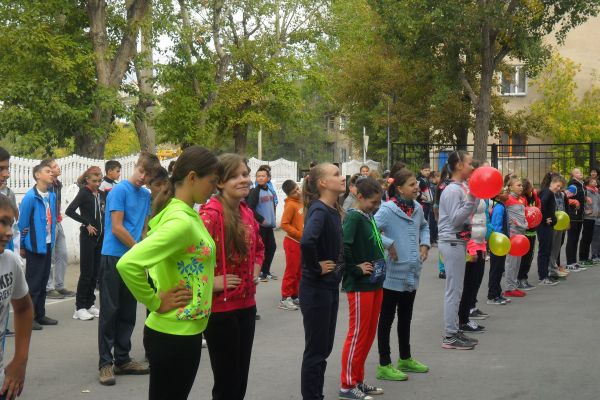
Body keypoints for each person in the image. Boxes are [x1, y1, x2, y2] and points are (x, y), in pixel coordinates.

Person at [117, 146, 219, 400]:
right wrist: (154, 301)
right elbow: (128, 263)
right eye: (212, 181)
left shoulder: (185, 214)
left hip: (183, 330)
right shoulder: (181, 222)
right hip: (174, 334)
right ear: (192, 177)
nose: (215, 188)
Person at [199, 153, 265, 400]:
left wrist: (255, 269)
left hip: (247, 305)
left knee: (240, 380)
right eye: (235, 176)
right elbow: (187, 261)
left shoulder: (246, 212)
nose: (244, 180)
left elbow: (260, 248)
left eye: (245, 174)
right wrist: (210, 282)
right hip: (220, 310)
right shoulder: (209, 216)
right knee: (227, 383)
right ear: (220, 182)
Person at [97, 152, 160, 385]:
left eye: (148, 175)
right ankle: (105, 363)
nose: (143, 177)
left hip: (134, 260)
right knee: (110, 311)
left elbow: (143, 229)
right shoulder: (119, 191)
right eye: (142, 171)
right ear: (135, 166)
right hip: (113, 256)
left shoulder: (145, 196)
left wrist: (146, 252)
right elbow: (117, 228)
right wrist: (138, 250)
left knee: (128, 310)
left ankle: (122, 359)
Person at [374, 170, 430, 383]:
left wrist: (425, 245)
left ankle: (405, 358)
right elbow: (371, 230)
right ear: (399, 188)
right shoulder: (387, 210)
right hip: (392, 274)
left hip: (412, 273)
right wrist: (389, 244)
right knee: (386, 319)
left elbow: (424, 227)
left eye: (416, 184)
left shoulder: (417, 208)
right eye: (411, 184)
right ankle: (384, 364)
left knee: (406, 317)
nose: (416, 187)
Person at [300, 163, 346, 400]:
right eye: (336, 174)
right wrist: (315, 267)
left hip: (328, 286)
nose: (342, 177)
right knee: (317, 350)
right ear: (323, 183)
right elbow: (307, 241)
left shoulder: (331, 208)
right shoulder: (319, 210)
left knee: (324, 347)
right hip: (316, 289)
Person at [338, 177, 386, 399]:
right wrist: (355, 269)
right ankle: (347, 385)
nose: (375, 206)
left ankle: (357, 379)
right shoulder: (354, 217)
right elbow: (344, 246)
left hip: (374, 282)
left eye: (377, 202)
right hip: (359, 285)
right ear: (359, 196)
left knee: (368, 334)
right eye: (372, 202)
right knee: (358, 334)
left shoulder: (367, 216)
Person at [437, 150, 479, 350]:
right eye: (469, 163)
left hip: (458, 241)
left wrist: (474, 196)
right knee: (453, 290)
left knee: (457, 289)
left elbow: (468, 212)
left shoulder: (462, 187)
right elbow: (455, 220)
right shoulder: (453, 190)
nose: (473, 166)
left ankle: (454, 329)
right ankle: (450, 335)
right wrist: (471, 198)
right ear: (459, 165)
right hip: (452, 241)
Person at [0, 195, 33, 400]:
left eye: (11, 224)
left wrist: (21, 360)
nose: (9, 232)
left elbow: (24, 308)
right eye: (2, 222)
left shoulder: (11, 262)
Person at [18, 162, 58, 331]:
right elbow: (22, 223)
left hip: (47, 244)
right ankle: (29, 317)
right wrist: (22, 245)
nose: (51, 173)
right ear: (37, 175)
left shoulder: (52, 196)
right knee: (33, 283)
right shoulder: (30, 197)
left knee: (43, 282)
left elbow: (52, 220)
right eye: (47, 171)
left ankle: (40, 314)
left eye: (51, 171)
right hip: (34, 246)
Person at [65, 167, 106, 321]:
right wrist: (86, 223)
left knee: (95, 273)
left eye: (99, 181)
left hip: (100, 238)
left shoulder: (101, 194)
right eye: (94, 181)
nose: (97, 184)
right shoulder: (84, 193)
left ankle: (89, 304)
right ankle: (79, 307)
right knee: (86, 273)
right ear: (87, 180)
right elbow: (69, 211)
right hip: (87, 238)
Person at [458, 160, 490, 333]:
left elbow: (482, 219)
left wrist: (483, 244)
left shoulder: (480, 192)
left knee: (476, 280)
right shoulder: (464, 190)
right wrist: (470, 246)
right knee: (468, 282)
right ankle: (463, 318)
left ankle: (469, 310)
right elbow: (464, 220)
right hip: (470, 242)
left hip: (480, 241)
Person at [42, 159, 75, 300]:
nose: (58, 168)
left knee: (62, 254)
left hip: (57, 222)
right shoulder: (47, 186)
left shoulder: (57, 184)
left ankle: (59, 285)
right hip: (49, 224)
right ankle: (48, 288)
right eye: (54, 166)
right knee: (50, 256)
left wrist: (58, 217)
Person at [247, 166, 277, 281]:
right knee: (261, 250)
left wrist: (272, 219)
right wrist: (261, 219)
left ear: (268, 178)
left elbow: (272, 206)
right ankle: (259, 273)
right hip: (260, 226)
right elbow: (250, 208)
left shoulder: (269, 191)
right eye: (258, 176)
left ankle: (266, 272)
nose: (260, 178)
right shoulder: (255, 192)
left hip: (269, 226)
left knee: (272, 248)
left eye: (263, 176)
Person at [502, 176, 529, 298]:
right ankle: (509, 288)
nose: (521, 187)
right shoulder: (507, 199)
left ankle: (513, 285)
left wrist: (525, 223)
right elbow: (498, 211)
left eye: (521, 185)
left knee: (517, 261)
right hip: (513, 234)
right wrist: (509, 222)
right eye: (518, 185)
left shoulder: (522, 199)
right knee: (511, 261)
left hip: (521, 233)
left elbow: (523, 214)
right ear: (510, 187)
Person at [279, 179, 303, 310]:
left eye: (298, 188)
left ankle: (294, 295)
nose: (298, 192)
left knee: (299, 271)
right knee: (292, 271)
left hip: (300, 243)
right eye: (294, 192)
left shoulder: (300, 202)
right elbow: (284, 224)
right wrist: (299, 234)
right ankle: (285, 298)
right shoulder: (290, 205)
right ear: (288, 194)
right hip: (292, 242)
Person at [536, 173, 563, 286]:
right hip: (544, 227)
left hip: (546, 226)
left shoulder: (548, 192)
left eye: (560, 187)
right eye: (557, 185)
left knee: (546, 250)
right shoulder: (547, 192)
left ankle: (545, 275)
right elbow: (540, 205)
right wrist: (544, 219)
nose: (558, 188)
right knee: (544, 251)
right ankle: (543, 276)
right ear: (551, 183)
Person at [517, 179, 541, 290]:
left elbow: (537, 208)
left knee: (530, 257)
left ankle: (524, 278)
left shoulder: (534, 196)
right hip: (524, 231)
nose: (533, 186)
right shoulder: (522, 199)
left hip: (532, 231)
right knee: (524, 257)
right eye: (531, 185)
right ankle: (520, 279)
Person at [565, 168, 585, 271]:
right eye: (577, 172)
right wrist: (574, 202)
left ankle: (574, 262)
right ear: (573, 176)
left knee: (575, 239)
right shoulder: (573, 186)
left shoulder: (580, 185)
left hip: (579, 217)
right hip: (573, 217)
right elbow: (565, 198)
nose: (580, 173)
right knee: (572, 239)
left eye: (580, 171)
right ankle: (569, 263)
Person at [578, 177, 598, 266]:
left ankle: (586, 258)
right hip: (587, 217)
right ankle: (582, 258)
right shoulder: (586, 191)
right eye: (593, 181)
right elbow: (583, 202)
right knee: (585, 238)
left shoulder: (595, 191)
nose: (595, 182)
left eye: (595, 181)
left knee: (589, 238)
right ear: (588, 183)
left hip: (594, 217)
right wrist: (586, 211)